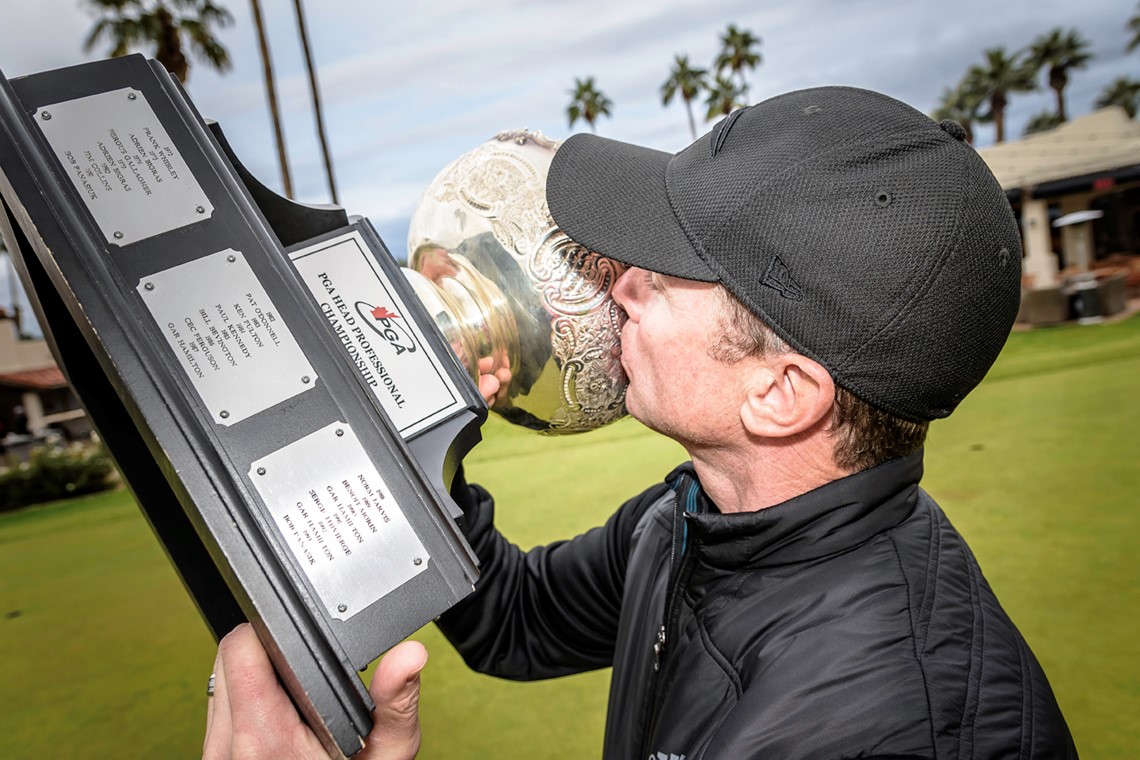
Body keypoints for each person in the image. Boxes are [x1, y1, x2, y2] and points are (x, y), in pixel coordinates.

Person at [206, 86, 1076, 758]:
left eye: (659, 280)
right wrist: (429, 430)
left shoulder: (888, 729)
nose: (620, 288)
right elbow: (514, 617)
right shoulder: (694, 518)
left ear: (781, 393)